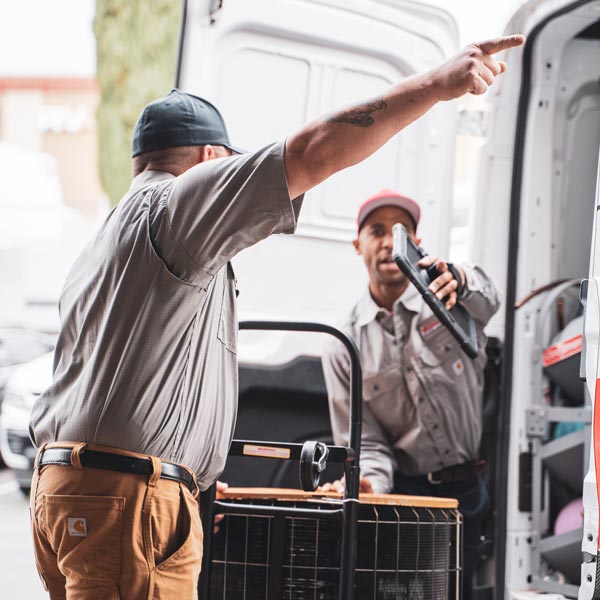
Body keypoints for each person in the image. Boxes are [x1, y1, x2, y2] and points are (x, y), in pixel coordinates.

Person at [29, 35, 523, 599]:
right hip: (126, 493)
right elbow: (312, 151)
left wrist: (192, 485)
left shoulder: (103, 242)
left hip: (66, 486)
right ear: (210, 163)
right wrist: (436, 85)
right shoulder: (178, 202)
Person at [320, 190, 501, 600]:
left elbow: (490, 297)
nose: (388, 241)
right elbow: (365, 441)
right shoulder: (342, 344)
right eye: (376, 231)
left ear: (415, 243)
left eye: (400, 232)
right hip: (403, 495)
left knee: (459, 591)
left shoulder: (451, 300)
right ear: (358, 244)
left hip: (465, 491)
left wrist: (461, 277)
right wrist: (368, 483)